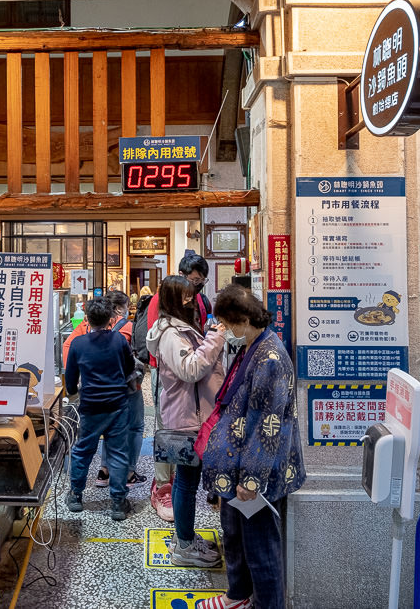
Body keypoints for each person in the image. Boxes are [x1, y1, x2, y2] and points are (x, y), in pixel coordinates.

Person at [198, 284, 306, 609]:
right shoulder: (252, 345)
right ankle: (237, 595)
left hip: (257, 472)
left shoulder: (270, 357)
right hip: (237, 464)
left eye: (228, 323)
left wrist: (252, 478)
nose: (225, 330)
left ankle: (267, 604)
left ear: (244, 319)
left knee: (261, 548)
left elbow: (268, 425)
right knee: (235, 536)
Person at [146, 275, 226, 567]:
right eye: (186, 296)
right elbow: (190, 369)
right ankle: (185, 546)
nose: (192, 300)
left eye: (192, 295)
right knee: (186, 483)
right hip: (186, 418)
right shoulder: (169, 334)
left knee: (187, 482)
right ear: (173, 300)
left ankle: (186, 539)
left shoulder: (181, 329)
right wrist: (216, 339)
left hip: (194, 414)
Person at [143, 253, 214, 521]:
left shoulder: (197, 298)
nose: (196, 288)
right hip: (169, 374)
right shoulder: (165, 301)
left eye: (201, 282)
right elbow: (168, 348)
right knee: (166, 426)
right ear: (183, 277)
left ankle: (179, 476)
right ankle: (163, 485)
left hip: (193, 377)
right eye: (194, 281)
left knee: (185, 428)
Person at [62, 291, 146, 488]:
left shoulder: (79, 339)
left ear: (88, 318)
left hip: (90, 399)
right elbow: (129, 366)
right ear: (114, 313)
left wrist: (76, 387)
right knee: (128, 434)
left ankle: (78, 491)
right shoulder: (122, 334)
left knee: (83, 448)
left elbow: (69, 359)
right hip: (120, 396)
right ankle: (120, 493)